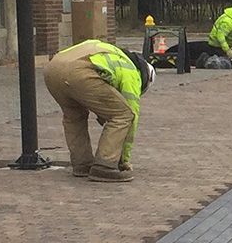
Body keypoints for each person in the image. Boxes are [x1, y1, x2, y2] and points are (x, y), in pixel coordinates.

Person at [43, 38, 153, 182]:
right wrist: (123, 160)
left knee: (74, 116)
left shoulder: (111, 53)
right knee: (123, 115)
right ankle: (105, 166)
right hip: (79, 71)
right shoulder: (131, 72)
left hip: (52, 69)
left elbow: (101, 100)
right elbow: (130, 116)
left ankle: (82, 165)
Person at [167, 2, 232, 69]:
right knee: (223, 59)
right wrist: (227, 51)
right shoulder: (227, 21)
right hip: (216, 45)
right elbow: (221, 37)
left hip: (227, 43)